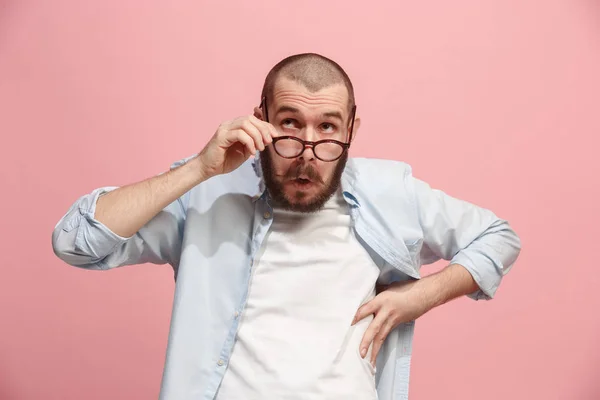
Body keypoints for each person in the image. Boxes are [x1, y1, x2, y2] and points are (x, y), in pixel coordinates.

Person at [52, 53, 521, 400]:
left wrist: (420, 295)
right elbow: (78, 242)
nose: (308, 150)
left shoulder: (391, 193)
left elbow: (497, 237)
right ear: (261, 121)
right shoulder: (207, 191)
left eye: (328, 128)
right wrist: (198, 168)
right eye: (290, 125)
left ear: (352, 129)